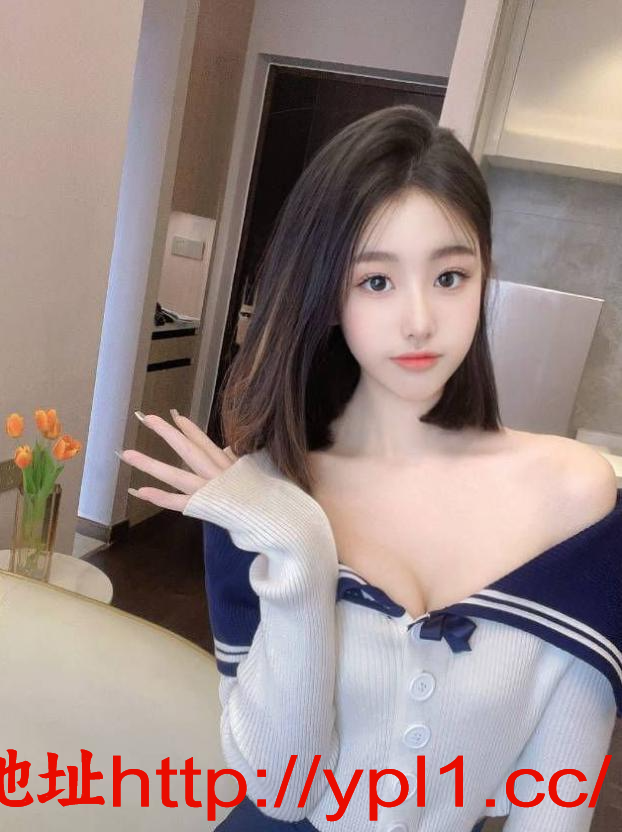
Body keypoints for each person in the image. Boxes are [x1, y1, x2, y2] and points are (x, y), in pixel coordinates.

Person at [120, 105, 621, 831]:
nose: (419, 319)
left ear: (484, 276)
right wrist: (299, 546)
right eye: (376, 282)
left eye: (450, 276)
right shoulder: (262, 498)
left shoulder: (576, 498)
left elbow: (557, 804)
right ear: (328, 295)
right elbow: (282, 791)